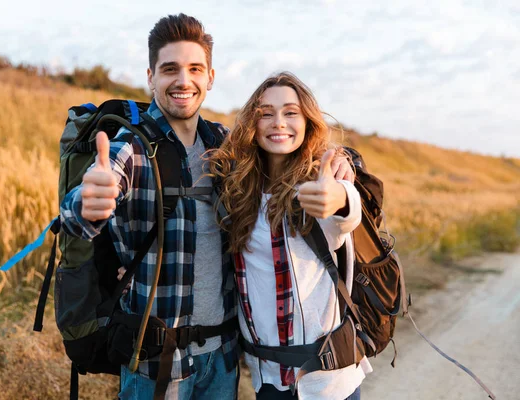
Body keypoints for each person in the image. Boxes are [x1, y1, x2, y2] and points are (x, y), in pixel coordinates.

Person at [60, 14, 354, 400]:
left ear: (210, 77)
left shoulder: (225, 146)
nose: (184, 81)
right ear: (151, 77)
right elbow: (75, 213)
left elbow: (292, 148)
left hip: (223, 357)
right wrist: (87, 203)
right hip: (156, 364)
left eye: (195, 69)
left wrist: (344, 162)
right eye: (170, 69)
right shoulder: (129, 149)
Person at [208, 72, 372, 400]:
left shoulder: (320, 183)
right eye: (266, 113)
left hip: (326, 381)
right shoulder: (238, 191)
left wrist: (338, 197)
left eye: (291, 112)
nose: (278, 122)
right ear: (251, 124)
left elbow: (347, 210)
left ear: (308, 121)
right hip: (267, 377)